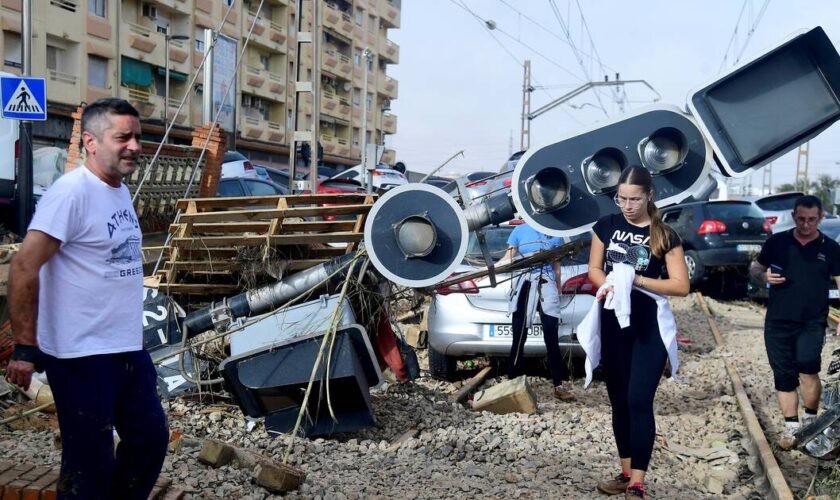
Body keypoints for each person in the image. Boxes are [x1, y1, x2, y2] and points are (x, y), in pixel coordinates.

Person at [4, 98, 169, 499]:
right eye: (122, 137)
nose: (134, 146)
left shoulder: (118, 191)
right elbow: (24, 267)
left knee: (150, 439)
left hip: (125, 347)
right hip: (81, 353)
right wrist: (25, 347)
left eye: (137, 137)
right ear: (91, 142)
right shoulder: (71, 193)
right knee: (88, 462)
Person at [588, 166, 689, 499]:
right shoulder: (606, 226)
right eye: (621, 199)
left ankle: (638, 482)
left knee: (638, 399)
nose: (627, 206)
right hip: (614, 322)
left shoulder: (665, 235)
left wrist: (637, 281)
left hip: (649, 326)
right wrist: (610, 287)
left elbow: (680, 285)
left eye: (634, 199)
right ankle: (625, 470)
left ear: (650, 196)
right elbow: (594, 269)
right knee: (618, 400)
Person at [750, 195, 840, 450]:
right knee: (784, 374)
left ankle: (812, 420)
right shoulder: (778, 242)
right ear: (793, 216)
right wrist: (763, 276)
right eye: (801, 219)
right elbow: (755, 268)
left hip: (812, 320)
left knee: (808, 367)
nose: (806, 224)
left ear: (821, 218)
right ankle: (792, 427)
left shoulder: (831, 248)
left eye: (812, 219)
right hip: (778, 321)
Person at [501, 221, 575, 401]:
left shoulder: (555, 232)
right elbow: (508, 257)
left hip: (546, 283)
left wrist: (557, 291)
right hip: (525, 283)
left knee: (551, 335)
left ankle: (558, 384)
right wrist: (491, 269)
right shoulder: (520, 230)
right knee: (519, 334)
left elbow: (556, 268)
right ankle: (513, 381)